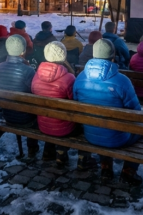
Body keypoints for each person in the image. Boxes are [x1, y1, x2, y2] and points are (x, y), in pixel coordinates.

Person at [74, 39, 143, 185]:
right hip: (118, 138)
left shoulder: (80, 78)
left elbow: (76, 102)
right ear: (113, 56)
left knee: (100, 124)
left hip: (90, 134)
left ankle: (106, 167)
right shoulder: (122, 81)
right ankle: (128, 171)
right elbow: (136, 113)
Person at [32, 41, 98, 169]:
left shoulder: (36, 76)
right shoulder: (69, 78)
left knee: (54, 115)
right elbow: (76, 102)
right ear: (63, 56)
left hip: (44, 125)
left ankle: (50, 151)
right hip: (65, 129)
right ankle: (83, 158)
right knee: (84, 123)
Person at [0, 35, 39, 157]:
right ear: (23, 51)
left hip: (7, 115)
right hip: (25, 118)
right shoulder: (27, 70)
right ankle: (32, 149)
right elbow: (34, 93)